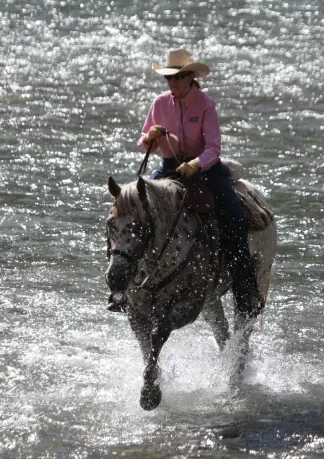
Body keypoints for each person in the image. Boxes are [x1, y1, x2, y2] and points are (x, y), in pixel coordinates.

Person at [107, 48, 264, 319]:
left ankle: (246, 290)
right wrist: (150, 137)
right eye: (169, 78)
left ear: (190, 77)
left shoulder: (205, 104)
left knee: (234, 216)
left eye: (178, 78)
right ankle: (122, 290)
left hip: (206, 170)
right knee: (132, 212)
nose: (173, 83)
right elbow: (146, 142)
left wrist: (195, 164)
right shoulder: (160, 103)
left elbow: (213, 148)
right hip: (170, 169)